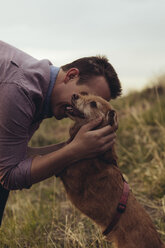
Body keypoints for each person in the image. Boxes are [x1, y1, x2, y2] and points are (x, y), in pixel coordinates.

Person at [0, 40, 121, 224]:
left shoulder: (40, 87)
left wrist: (71, 146)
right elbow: (8, 175)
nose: (82, 103)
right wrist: (75, 151)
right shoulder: (22, 89)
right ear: (71, 75)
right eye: (83, 93)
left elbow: (15, 155)